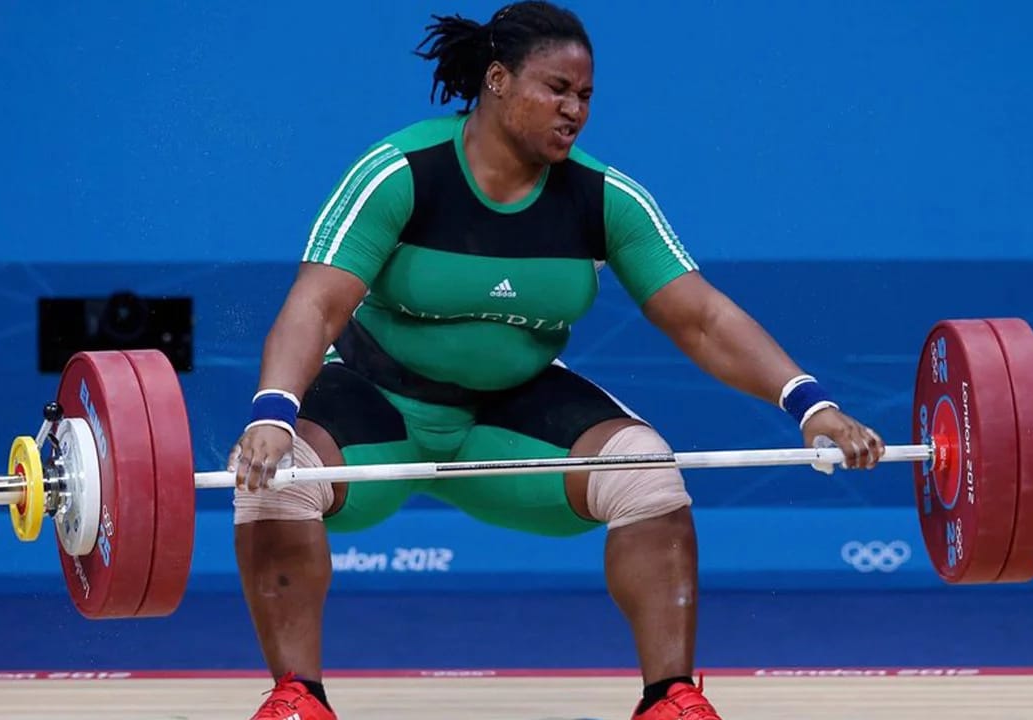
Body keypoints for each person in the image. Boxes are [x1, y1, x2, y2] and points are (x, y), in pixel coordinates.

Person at [228, 2, 886, 718]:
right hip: (374, 397)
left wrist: (811, 406)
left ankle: (669, 699)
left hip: (507, 414)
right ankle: (299, 698)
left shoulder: (603, 199)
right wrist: (273, 413)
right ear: (498, 80)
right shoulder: (402, 173)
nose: (574, 110)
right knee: (276, 477)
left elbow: (703, 319)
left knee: (646, 472)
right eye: (557, 89)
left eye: (586, 95)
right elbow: (316, 305)